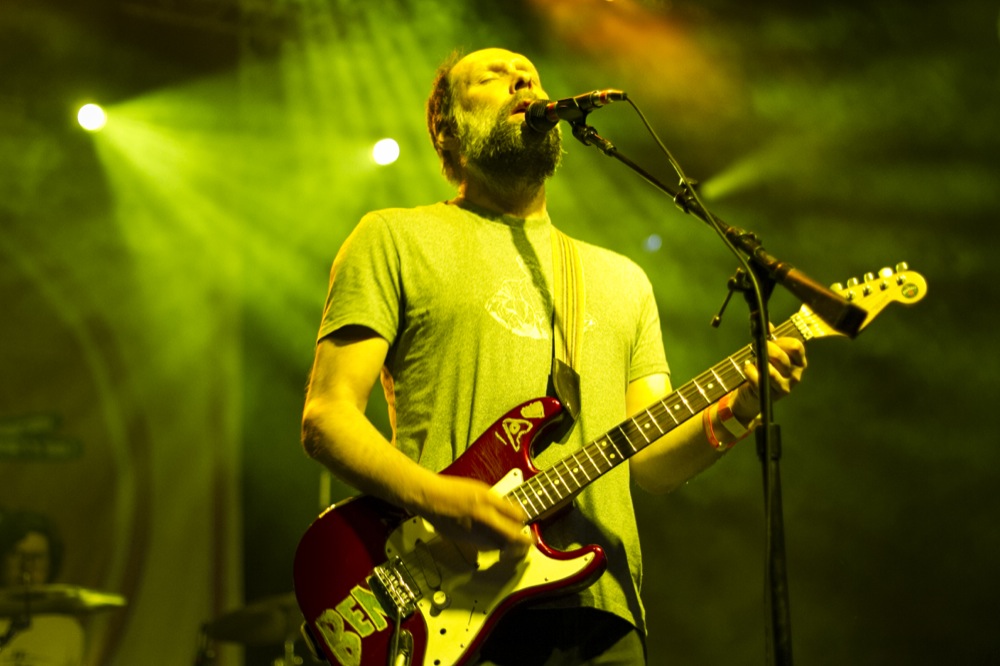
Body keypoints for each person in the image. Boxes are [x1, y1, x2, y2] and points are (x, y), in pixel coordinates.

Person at [300, 47, 807, 665]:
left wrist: (738, 408)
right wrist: (440, 498)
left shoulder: (621, 279)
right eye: (492, 76)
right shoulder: (393, 237)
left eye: (531, 76)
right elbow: (327, 416)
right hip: (446, 606)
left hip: (601, 615)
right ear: (447, 128)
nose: (521, 79)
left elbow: (652, 465)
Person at [0, 510, 84, 666]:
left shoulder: (67, 631)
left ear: (50, 563)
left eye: (37, 557)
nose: (27, 566)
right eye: (17, 554)